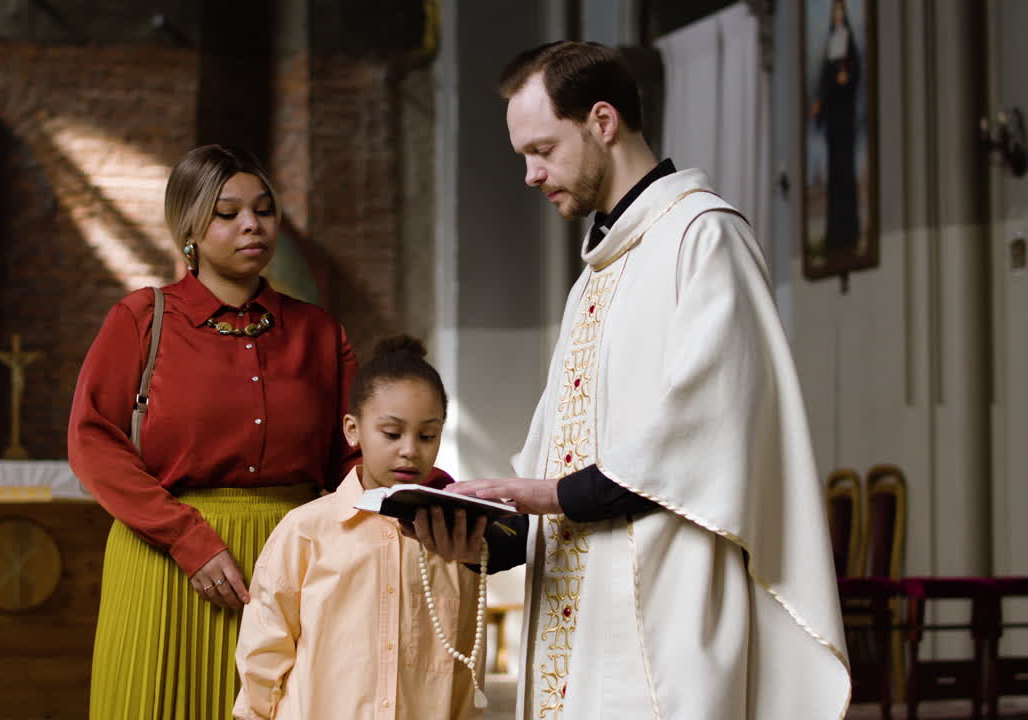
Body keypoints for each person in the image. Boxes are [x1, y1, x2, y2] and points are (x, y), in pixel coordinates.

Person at [424, 41, 849, 718]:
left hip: (665, 620)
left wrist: (549, 494)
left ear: (602, 121)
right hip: (581, 617)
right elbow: (556, 460)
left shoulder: (703, 239)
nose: (530, 175)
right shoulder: (596, 274)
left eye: (542, 150)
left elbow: (709, 431)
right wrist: (479, 538)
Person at [67, 144, 359, 719]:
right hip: (165, 564)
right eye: (228, 213)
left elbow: (353, 458)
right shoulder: (141, 320)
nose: (253, 224)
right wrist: (186, 539)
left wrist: (424, 491)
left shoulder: (318, 333)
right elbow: (92, 442)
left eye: (264, 209)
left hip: (292, 569)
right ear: (189, 229)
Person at [234, 335, 488, 720]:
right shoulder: (305, 531)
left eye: (427, 435)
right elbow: (263, 652)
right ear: (353, 430)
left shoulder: (455, 542)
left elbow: (467, 665)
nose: (409, 450)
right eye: (392, 433)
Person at [811, 0, 861, 257]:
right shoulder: (832, 42)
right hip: (833, 119)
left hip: (845, 117)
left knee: (845, 173)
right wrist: (819, 102)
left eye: (841, 11)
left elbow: (854, 72)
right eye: (835, 12)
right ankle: (835, 235)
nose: (838, 16)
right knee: (834, 175)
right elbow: (824, 79)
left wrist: (846, 78)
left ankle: (849, 231)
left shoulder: (848, 42)